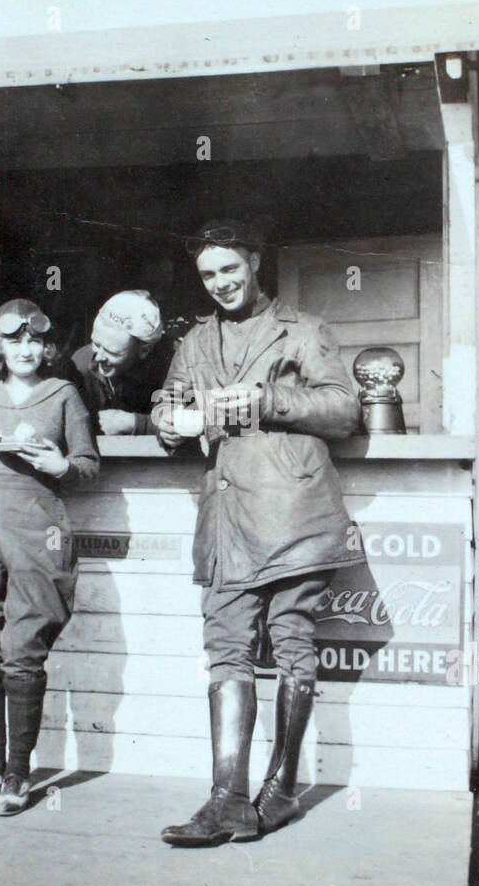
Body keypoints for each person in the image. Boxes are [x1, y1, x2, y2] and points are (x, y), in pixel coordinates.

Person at [152, 221, 364, 846]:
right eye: (208, 275)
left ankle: (281, 789)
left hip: (293, 509)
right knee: (226, 649)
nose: (220, 284)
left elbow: (345, 410)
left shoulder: (305, 330)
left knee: (292, 640)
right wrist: (167, 419)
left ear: (253, 260)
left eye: (230, 269)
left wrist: (268, 398)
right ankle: (226, 800)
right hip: (224, 518)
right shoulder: (194, 340)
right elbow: (170, 396)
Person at [0, 299, 99, 816]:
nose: (25, 350)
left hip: (38, 525)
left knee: (25, 646)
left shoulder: (63, 394)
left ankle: (18, 773)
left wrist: (61, 464)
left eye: (34, 342)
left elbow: (90, 467)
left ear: (47, 348)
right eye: (14, 341)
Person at [71, 290, 171, 435]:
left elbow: (195, 424)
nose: (99, 357)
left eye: (112, 352)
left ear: (145, 350)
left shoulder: (172, 364)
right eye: (96, 344)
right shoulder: (80, 363)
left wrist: (135, 423)